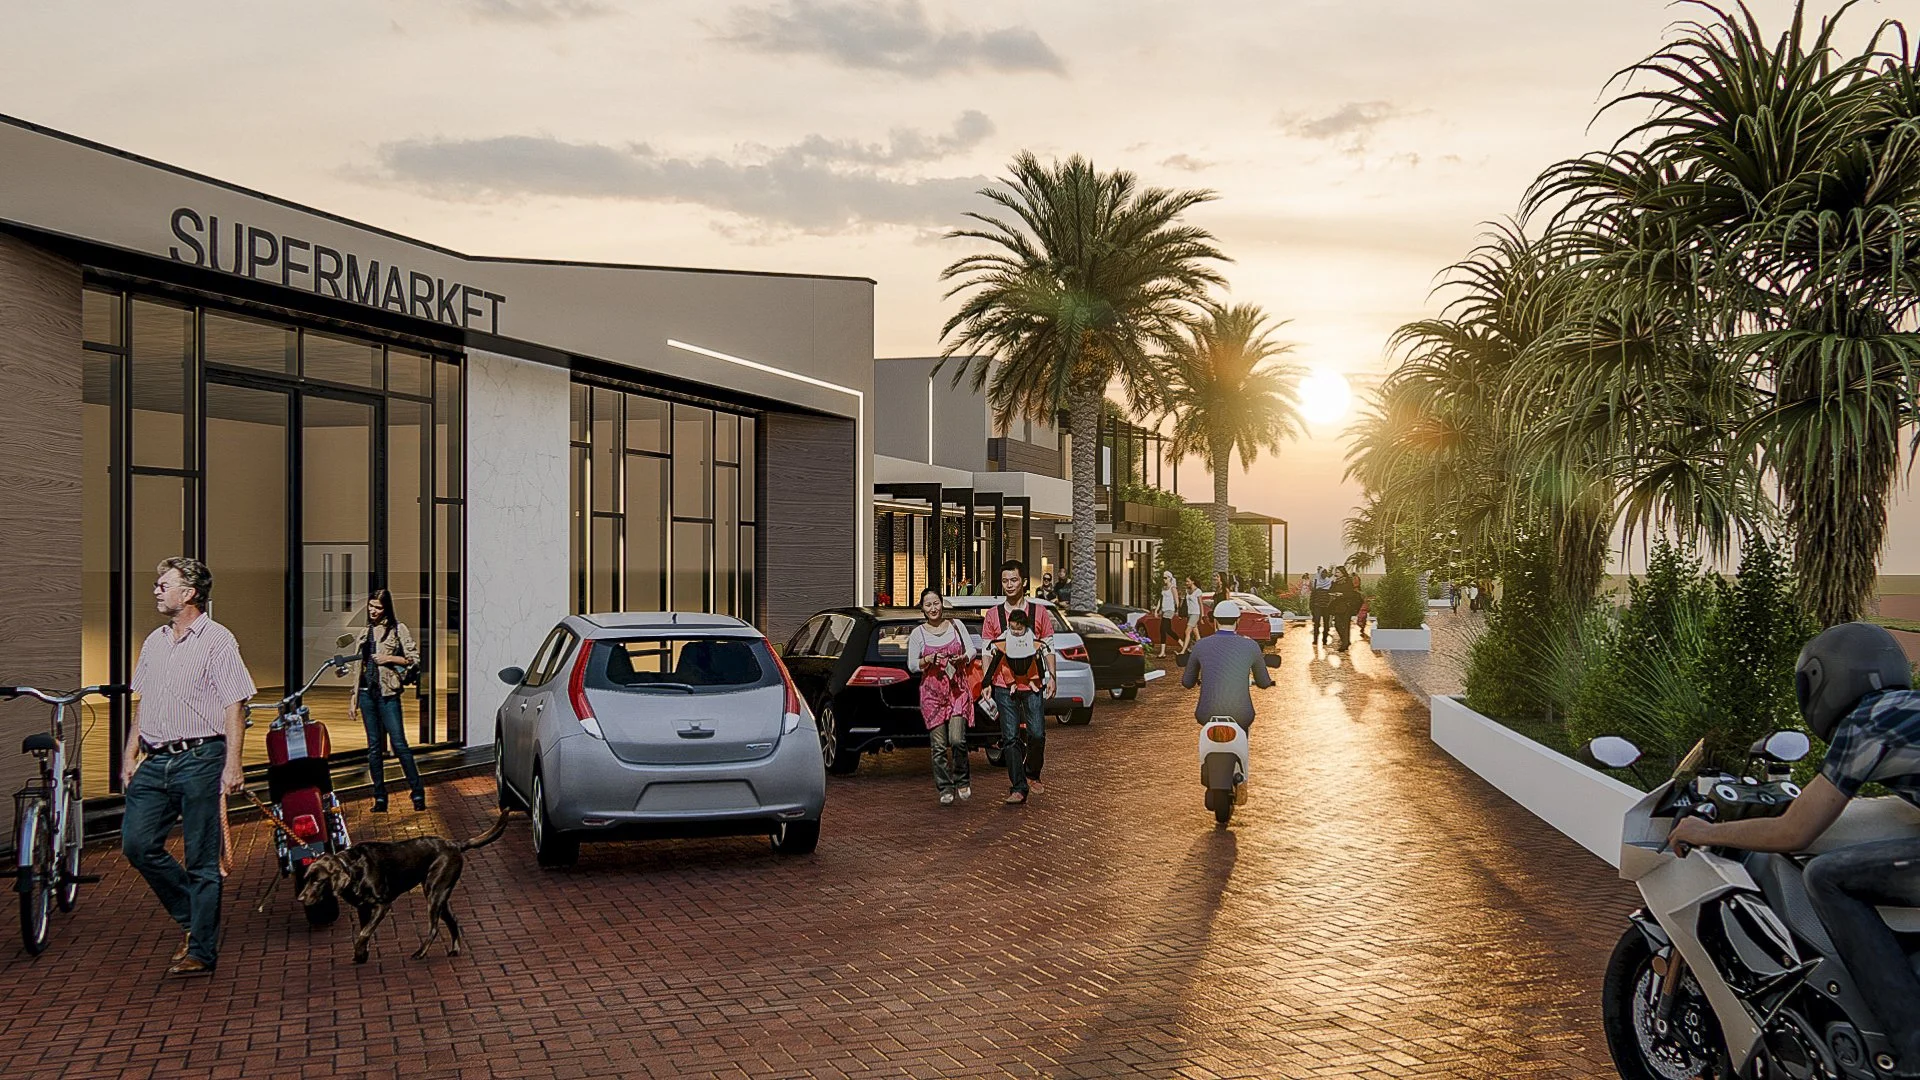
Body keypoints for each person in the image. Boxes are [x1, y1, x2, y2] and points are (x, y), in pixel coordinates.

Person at [1667, 623, 1920, 1077]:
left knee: (1826, 876)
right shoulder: (1907, 709)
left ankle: (1914, 1043)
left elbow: (1794, 832)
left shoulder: (1867, 722)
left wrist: (1707, 832)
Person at [121, 557, 255, 977]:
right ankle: (193, 917)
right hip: (155, 759)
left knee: (201, 859)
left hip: (201, 758)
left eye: (164, 585)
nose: (156, 591)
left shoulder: (218, 640)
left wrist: (233, 765)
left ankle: (201, 950)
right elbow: (144, 702)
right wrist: (129, 753)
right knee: (137, 845)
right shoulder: (155, 641)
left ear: (190, 593)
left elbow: (235, 704)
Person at [980, 560, 1058, 805]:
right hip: (1004, 685)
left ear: (1023, 582)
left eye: (1014, 580)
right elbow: (987, 652)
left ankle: (1032, 772)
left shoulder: (1038, 612)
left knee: (1037, 733)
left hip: (1033, 684)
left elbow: (1048, 647)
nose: (1009, 585)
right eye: (1005, 581)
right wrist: (986, 682)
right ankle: (1018, 787)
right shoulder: (993, 615)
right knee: (1011, 737)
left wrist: (1052, 677)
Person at [348, 587, 426, 813]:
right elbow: (357, 668)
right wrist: (353, 698)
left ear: (386, 609)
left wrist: (388, 658)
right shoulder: (364, 632)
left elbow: (414, 659)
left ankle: (417, 792)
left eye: (378, 607)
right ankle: (380, 797)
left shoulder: (397, 629)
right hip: (366, 693)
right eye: (371, 606)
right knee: (373, 748)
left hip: (388, 694)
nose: (373, 611)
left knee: (399, 744)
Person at [907, 588, 976, 806]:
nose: (933, 608)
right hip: (932, 695)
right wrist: (927, 659)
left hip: (957, 691)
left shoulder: (956, 625)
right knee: (938, 746)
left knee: (957, 739)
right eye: (928, 605)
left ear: (942, 604)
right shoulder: (918, 634)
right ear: (922, 608)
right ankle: (945, 787)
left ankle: (962, 780)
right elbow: (912, 665)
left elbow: (972, 650)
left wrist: (962, 658)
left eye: (936, 603)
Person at [1181, 599, 1272, 729]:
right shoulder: (1251, 645)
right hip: (1242, 715)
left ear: (1215, 621)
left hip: (1206, 715)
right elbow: (1263, 682)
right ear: (1238, 621)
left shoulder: (1201, 645)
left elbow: (1187, 682)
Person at [1330, 568, 1362, 651]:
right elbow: (1331, 590)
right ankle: (1345, 640)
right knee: (1337, 624)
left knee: (1345, 625)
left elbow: (1351, 594)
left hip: (1347, 606)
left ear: (1343, 573)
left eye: (1338, 572)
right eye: (1336, 572)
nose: (1336, 573)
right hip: (1338, 606)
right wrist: (1333, 584)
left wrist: (1342, 594)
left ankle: (1345, 644)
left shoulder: (1348, 582)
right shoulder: (1336, 582)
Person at [1157, 571, 1179, 659]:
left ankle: (1162, 652)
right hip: (1164, 610)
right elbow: (1160, 599)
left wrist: (1178, 610)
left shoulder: (1173, 588)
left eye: (1165, 578)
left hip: (1170, 610)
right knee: (1167, 630)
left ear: (1170, 578)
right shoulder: (1164, 588)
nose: (1164, 579)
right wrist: (1157, 609)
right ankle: (1181, 643)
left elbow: (1176, 600)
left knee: (1163, 628)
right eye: (1163, 578)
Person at [1310, 567, 1334, 645]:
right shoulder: (1316, 582)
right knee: (1316, 623)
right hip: (1317, 606)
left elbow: (1332, 594)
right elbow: (1313, 595)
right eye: (1322, 572)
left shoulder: (1330, 582)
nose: (1324, 574)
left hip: (1327, 606)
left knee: (1326, 624)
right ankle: (1315, 639)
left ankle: (1324, 640)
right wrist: (1311, 606)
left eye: (1325, 572)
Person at [1182, 577, 1203, 655]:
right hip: (1189, 613)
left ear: (1193, 581)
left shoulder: (1198, 591)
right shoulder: (1187, 591)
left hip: (1195, 613)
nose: (1186, 583)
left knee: (1187, 631)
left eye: (1188, 581)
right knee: (1196, 634)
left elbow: (1200, 604)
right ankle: (1201, 650)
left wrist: (1201, 616)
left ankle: (1183, 651)